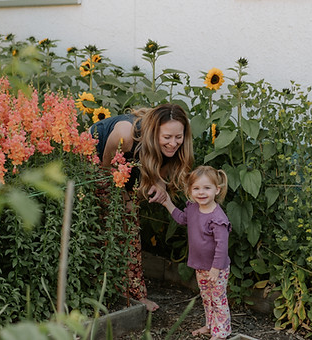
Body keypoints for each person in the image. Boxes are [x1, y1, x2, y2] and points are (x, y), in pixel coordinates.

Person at [90, 103, 194, 312]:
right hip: (94, 162)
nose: (173, 143)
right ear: (154, 132)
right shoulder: (125, 134)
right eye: (167, 138)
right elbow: (104, 169)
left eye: (178, 137)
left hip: (127, 168)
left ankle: (133, 295)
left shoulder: (173, 146)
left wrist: (158, 184)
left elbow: (158, 175)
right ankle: (98, 288)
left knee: (130, 230)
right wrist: (123, 204)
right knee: (104, 227)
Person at [160, 165, 232, 340]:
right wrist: (167, 202)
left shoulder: (218, 218)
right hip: (201, 266)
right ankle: (210, 325)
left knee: (218, 299)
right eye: (196, 188)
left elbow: (222, 247)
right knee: (206, 297)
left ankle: (222, 331)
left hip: (217, 268)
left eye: (207, 188)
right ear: (190, 190)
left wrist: (215, 268)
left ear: (217, 190)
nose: (201, 192)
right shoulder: (193, 208)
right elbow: (181, 218)